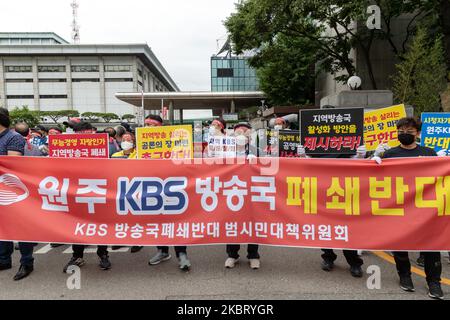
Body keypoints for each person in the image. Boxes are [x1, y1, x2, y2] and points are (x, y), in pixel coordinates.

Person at [374, 117, 444, 300]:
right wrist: (373, 158)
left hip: (425, 208)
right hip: (399, 207)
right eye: (401, 130)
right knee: (400, 243)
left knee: (431, 245)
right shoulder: (389, 154)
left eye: (409, 131)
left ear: (418, 133)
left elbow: (440, 177)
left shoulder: (429, 153)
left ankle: (434, 282)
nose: (404, 134)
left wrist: (444, 161)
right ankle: (405, 275)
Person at [63, 121, 112, 273]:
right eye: (78, 133)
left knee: (101, 225)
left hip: (98, 191)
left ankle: (103, 254)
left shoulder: (103, 145)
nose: (82, 136)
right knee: (77, 226)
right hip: (76, 193)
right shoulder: (68, 147)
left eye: (85, 132)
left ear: (92, 131)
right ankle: (77, 255)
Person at [147, 115, 192, 271]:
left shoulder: (177, 141)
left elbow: (187, 161)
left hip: (174, 188)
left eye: (152, 124)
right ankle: (162, 251)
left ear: (161, 126)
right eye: (146, 125)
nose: (149, 128)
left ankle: (182, 254)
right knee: (158, 222)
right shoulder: (142, 143)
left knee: (177, 221)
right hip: (152, 188)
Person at [0, 108, 36, 281]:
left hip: (14, 191)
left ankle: (27, 262)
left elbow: (12, 165)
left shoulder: (13, 137)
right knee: (2, 227)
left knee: (21, 227)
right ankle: (4, 259)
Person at [225, 123, 261, 270]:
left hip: (252, 193)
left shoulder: (256, 151)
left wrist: (257, 161)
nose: (242, 134)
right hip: (232, 193)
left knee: (252, 224)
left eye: (245, 132)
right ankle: (232, 255)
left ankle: (253, 255)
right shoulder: (226, 151)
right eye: (239, 131)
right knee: (233, 224)